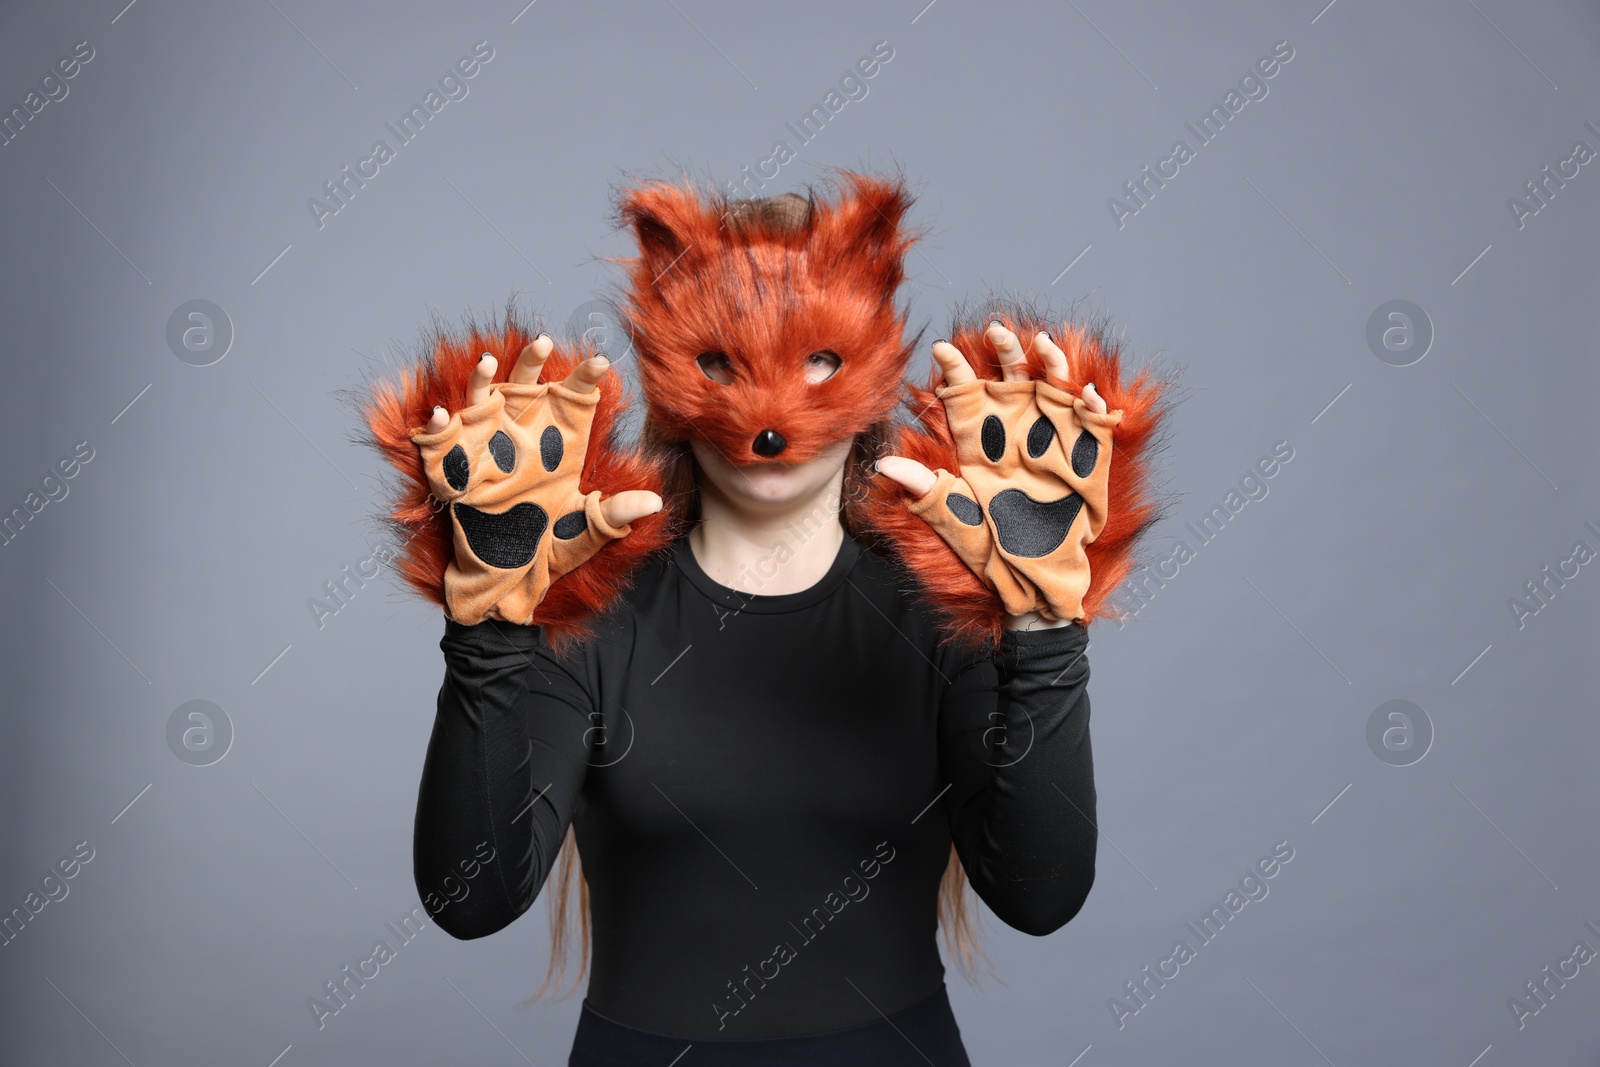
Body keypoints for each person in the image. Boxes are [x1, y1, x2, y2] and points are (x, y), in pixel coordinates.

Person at [353, 169, 1173, 1066]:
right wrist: (489, 629)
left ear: (875, 358)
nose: (770, 418)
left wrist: (1045, 631)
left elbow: (1041, 894)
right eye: (721, 361)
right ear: (666, 369)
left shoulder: (945, 603)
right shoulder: (591, 607)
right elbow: (470, 900)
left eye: (821, 358)